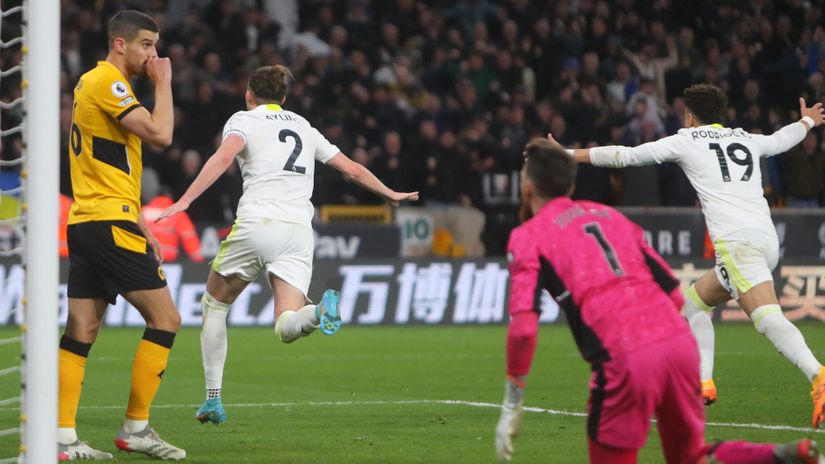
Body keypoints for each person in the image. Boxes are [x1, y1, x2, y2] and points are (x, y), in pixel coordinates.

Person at [495, 138, 822, 463]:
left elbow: (523, 329)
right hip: (679, 348)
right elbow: (671, 290)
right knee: (691, 456)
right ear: (569, 185)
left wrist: (512, 403)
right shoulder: (612, 218)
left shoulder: (528, 236)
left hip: (626, 359)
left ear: (527, 188)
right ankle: (775, 457)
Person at [550, 84, 825, 429]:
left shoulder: (685, 140)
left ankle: (818, 376)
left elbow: (627, 155)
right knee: (694, 304)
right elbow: (779, 140)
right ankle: (702, 383)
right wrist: (807, 123)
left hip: (737, 244)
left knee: (767, 318)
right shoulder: (746, 138)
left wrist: (570, 154)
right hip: (766, 240)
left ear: (691, 116)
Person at [156, 65, 418, 425]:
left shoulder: (242, 120)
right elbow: (352, 169)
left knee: (215, 304)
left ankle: (213, 399)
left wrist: (185, 200)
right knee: (286, 326)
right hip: (298, 231)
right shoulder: (305, 127)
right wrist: (388, 193)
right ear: (284, 98)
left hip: (257, 223)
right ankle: (317, 314)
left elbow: (223, 156)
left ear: (249, 94)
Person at [59, 10, 185, 460]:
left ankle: (61, 437)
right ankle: (135, 428)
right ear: (120, 44)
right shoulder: (108, 82)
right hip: (107, 222)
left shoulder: (98, 86)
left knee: (82, 329)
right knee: (166, 319)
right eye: (148, 44)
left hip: (94, 219)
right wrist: (164, 82)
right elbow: (162, 134)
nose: (155, 54)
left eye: (155, 46)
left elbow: (111, 164)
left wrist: (140, 221)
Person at [140, 168, 204, 263]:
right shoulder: (176, 213)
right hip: (170, 265)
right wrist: (199, 261)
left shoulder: (140, 213)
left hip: (146, 262)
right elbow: (189, 238)